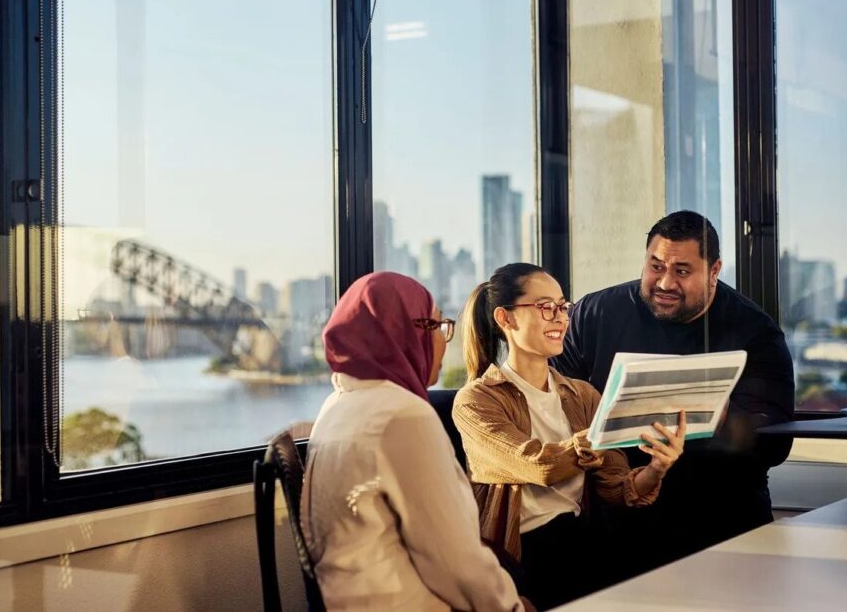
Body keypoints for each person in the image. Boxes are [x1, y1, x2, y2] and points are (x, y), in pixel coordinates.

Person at [552, 210, 795, 565]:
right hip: (617, 525)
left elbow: (775, 444)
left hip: (723, 528)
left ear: (714, 271)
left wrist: (714, 409)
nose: (665, 283)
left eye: (682, 271)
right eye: (655, 266)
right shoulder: (595, 313)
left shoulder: (755, 332)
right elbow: (552, 403)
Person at [453, 263, 685, 610]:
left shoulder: (583, 395)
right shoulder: (476, 400)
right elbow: (536, 465)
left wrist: (656, 468)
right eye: (546, 308)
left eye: (564, 307)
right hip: (524, 551)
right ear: (506, 319)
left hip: (582, 538)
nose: (560, 318)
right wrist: (594, 439)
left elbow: (617, 489)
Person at [299, 271, 528, 612]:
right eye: (436, 327)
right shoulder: (402, 416)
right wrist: (513, 606)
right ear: (402, 333)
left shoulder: (338, 404)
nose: (442, 341)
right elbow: (455, 560)